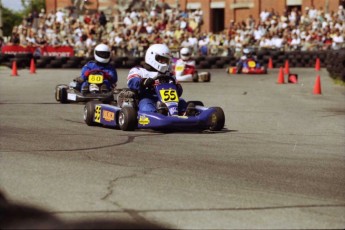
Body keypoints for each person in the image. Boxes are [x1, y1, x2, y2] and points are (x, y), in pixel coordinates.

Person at [126, 44, 191, 115]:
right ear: (152, 57)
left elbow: (178, 90)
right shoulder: (139, 70)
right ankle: (157, 114)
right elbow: (131, 81)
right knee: (146, 104)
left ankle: (185, 113)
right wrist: (143, 82)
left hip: (168, 101)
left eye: (166, 60)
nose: (165, 63)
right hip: (148, 98)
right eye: (162, 60)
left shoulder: (169, 74)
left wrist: (178, 88)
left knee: (182, 102)